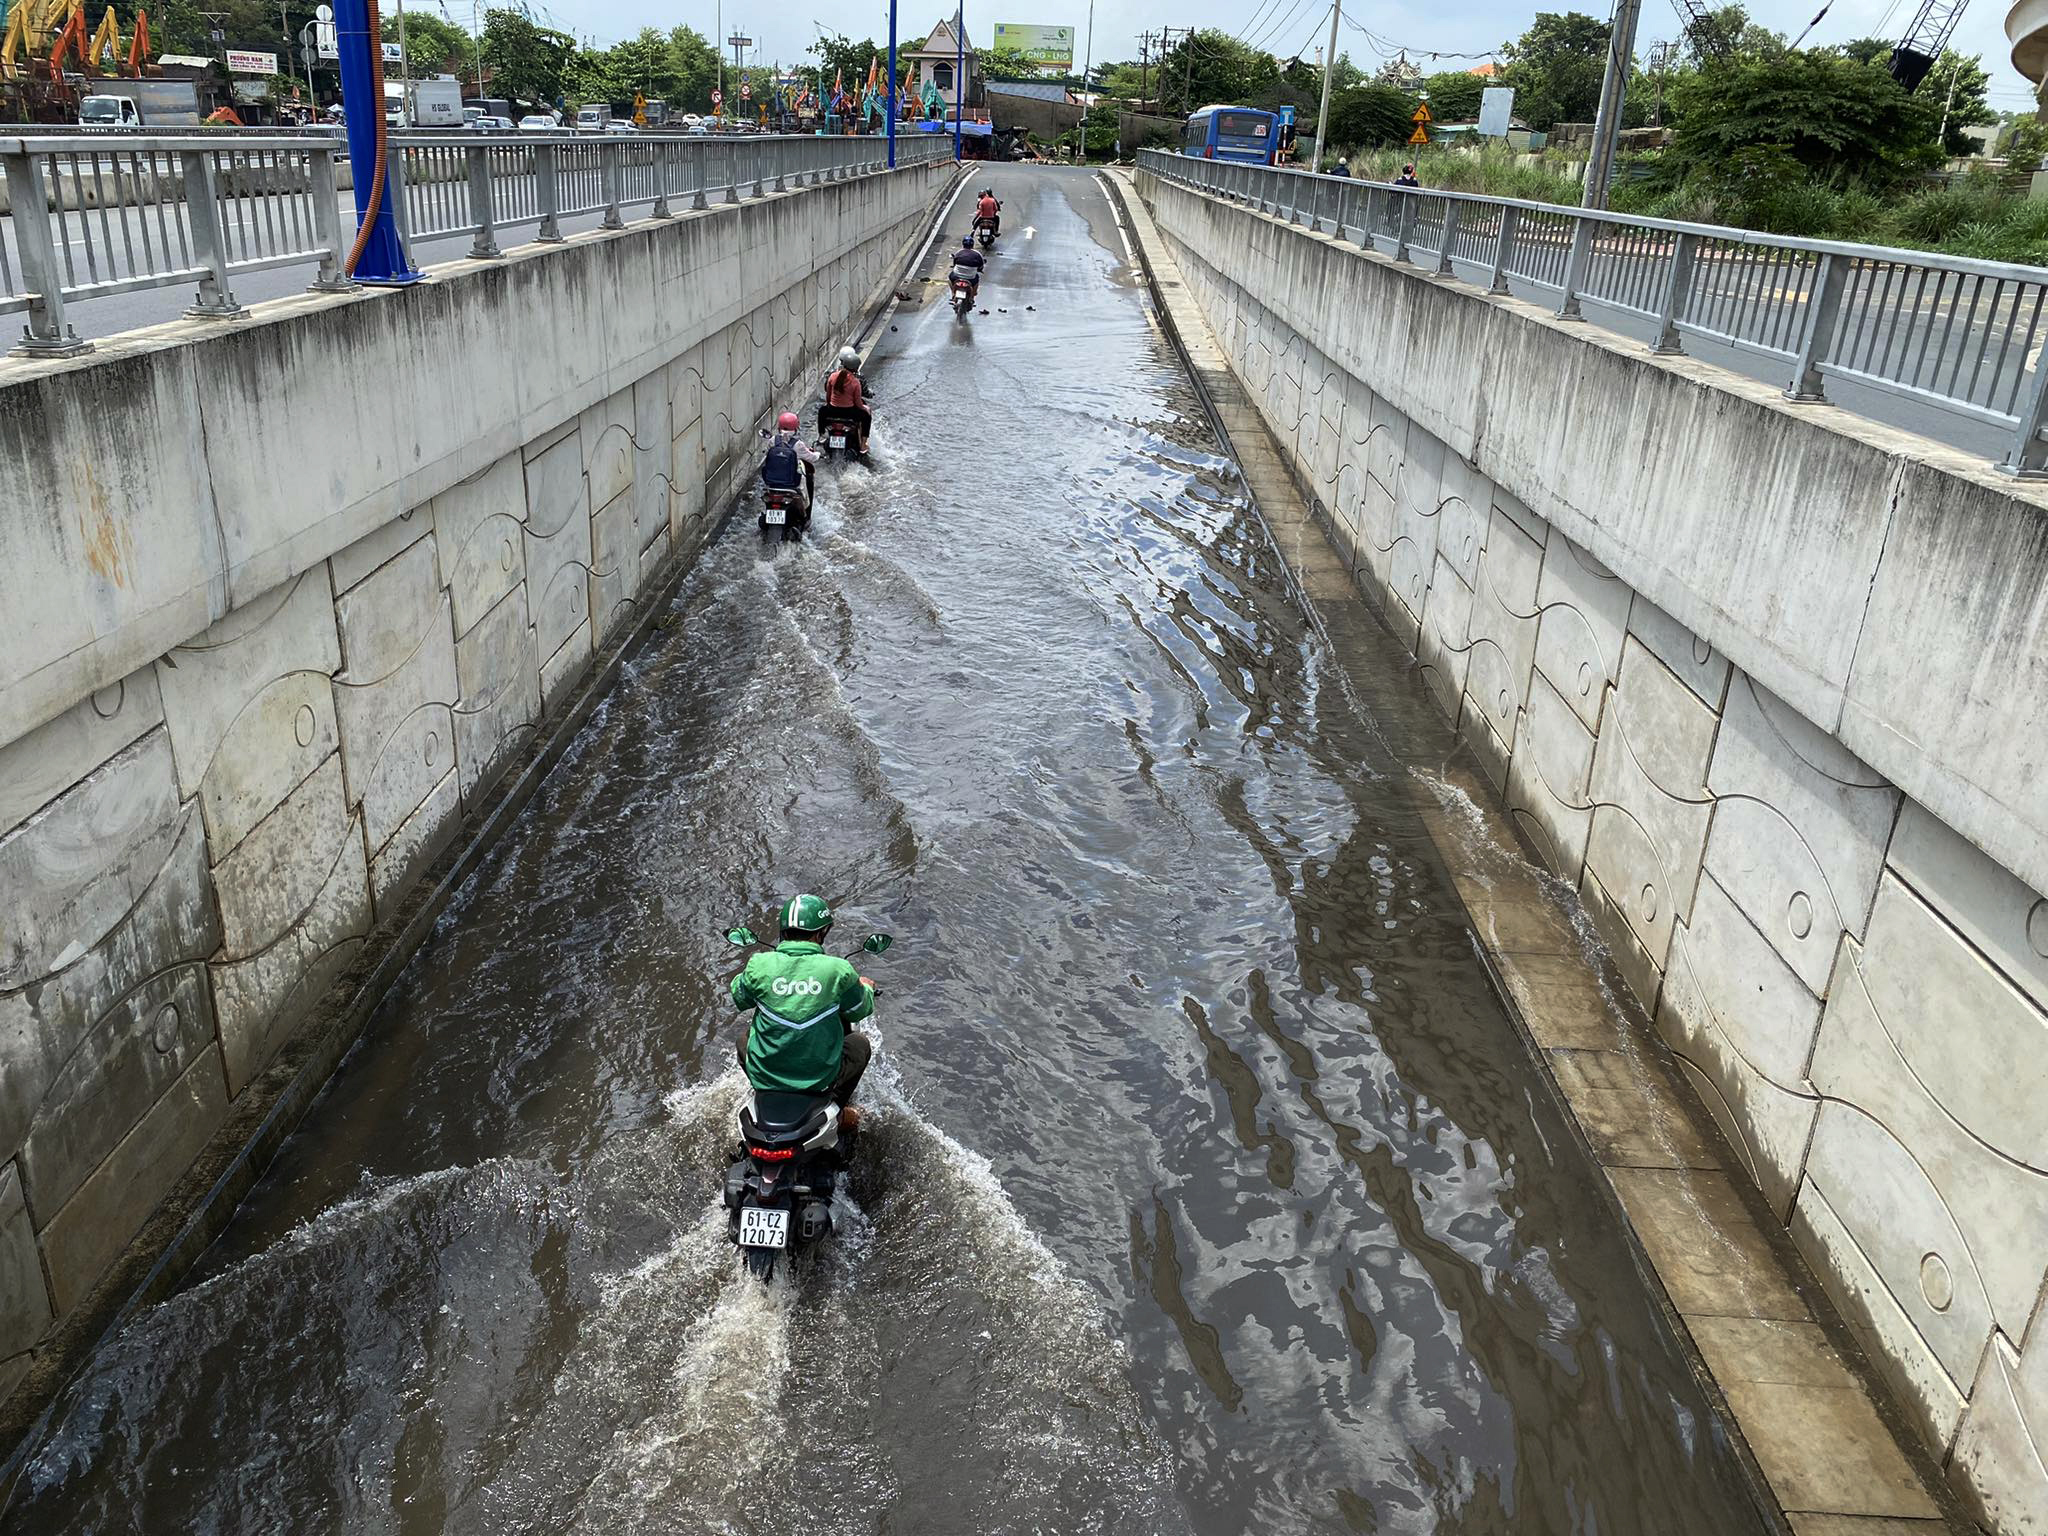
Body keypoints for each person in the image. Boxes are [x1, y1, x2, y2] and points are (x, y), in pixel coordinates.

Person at [731, 894, 875, 1121]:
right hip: (819, 1080)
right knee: (859, 1044)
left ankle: (764, 1092)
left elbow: (739, 996)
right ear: (821, 933)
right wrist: (865, 987)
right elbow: (859, 1009)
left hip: (767, 1079)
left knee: (744, 1039)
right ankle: (838, 1109)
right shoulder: (839, 970)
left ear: (784, 932)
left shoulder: (758, 965)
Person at [760, 410, 818, 513]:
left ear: (779, 427)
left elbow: (767, 455)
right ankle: (806, 513)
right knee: (804, 483)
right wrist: (818, 454)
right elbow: (811, 458)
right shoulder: (798, 444)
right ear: (795, 427)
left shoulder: (773, 440)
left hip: (771, 482)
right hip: (791, 483)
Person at [823, 345, 873, 455]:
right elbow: (858, 403)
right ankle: (863, 444)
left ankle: (821, 435)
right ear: (856, 367)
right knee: (867, 416)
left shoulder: (832, 375)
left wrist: (829, 405)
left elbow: (828, 394)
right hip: (850, 411)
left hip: (833, 409)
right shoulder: (856, 381)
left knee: (821, 412)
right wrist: (865, 408)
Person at [950, 233, 986, 302]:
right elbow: (981, 265)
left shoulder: (959, 252)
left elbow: (954, 263)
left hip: (957, 276)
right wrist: (980, 269)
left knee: (950, 278)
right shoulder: (977, 254)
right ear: (972, 245)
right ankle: (973, 295)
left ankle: (953, 293)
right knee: (976, 280)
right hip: (970, 278)